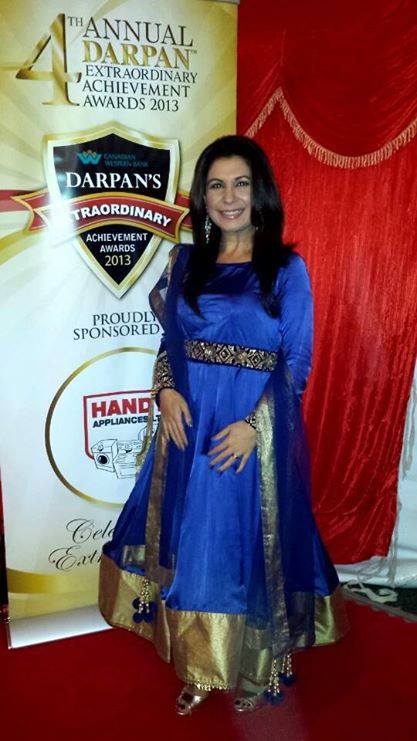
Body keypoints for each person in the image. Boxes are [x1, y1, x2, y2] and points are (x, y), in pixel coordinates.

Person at [98, 135, 349, 715]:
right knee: (190, 537)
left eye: (241, 184)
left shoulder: (285, 269)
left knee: (234, 540)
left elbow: (297, 361)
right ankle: (199, 662)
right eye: (217, 185)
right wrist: (164, 391)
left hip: (244, 428)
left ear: (260, 193)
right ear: (202, 197)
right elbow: (172, 342)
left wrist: (255, 428)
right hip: (187, 424)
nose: (229, 197)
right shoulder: (185, 262)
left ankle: (247, 659)